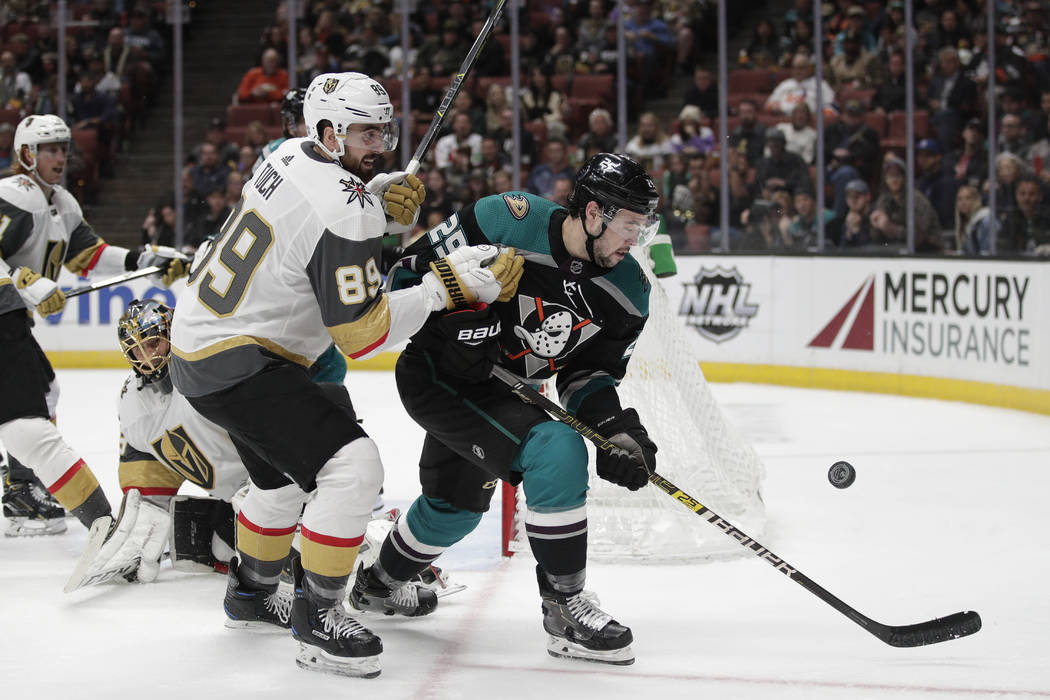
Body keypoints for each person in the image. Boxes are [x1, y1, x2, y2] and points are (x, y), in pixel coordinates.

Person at [168, 72, 521, 678]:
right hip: (244, 361)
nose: (378, 145)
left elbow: (313, 226)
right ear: (327, 130)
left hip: (200, 350)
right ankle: (318, 615)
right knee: (353, 467)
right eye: (364, 132)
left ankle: (252, 595)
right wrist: (444, 288)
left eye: (384, 129)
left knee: (280, 483)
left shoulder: (284, 154)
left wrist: (376, 203)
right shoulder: (343, 203)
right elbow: (362, 333)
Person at [358, 153, 660, 667]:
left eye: (642, 226)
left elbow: (587, 376)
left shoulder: (628, 292)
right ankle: (563, 607)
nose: (636, 239)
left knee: (453, 512)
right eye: (629, 224)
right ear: (592, 213)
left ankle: (379, 584)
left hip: (506, 390)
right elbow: (406, 276)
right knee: (556, 448)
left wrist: (615, 430)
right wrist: (466, 313)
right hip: (440, 373)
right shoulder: (506, 220)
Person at [0, 114, 187, 537]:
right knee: (26, 409)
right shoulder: (14, 195)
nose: (59, 156)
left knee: (45, 390)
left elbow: (87, 255)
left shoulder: (61, 202)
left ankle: (22, 486)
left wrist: (143, 261)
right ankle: (22, 488)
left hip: (9, 315)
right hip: (4, 312)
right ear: (26, 154)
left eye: (62, 148)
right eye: (48, 149)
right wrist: (24, 280)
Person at [869, 155, 944, 253]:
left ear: (904, 178)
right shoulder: (883, 200)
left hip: (929, 250)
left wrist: (890, 228)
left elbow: (919, 237)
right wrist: (876, 225)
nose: (893, 180)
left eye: (897, 175)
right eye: (889, 176)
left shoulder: (916, 199)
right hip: (896, 248)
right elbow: (876, 238)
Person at [252, 87, 307, 175]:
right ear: (290, 126)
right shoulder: (271, 152)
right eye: (304, 121)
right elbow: (251, 187)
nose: (311, 127)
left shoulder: (330, 150)